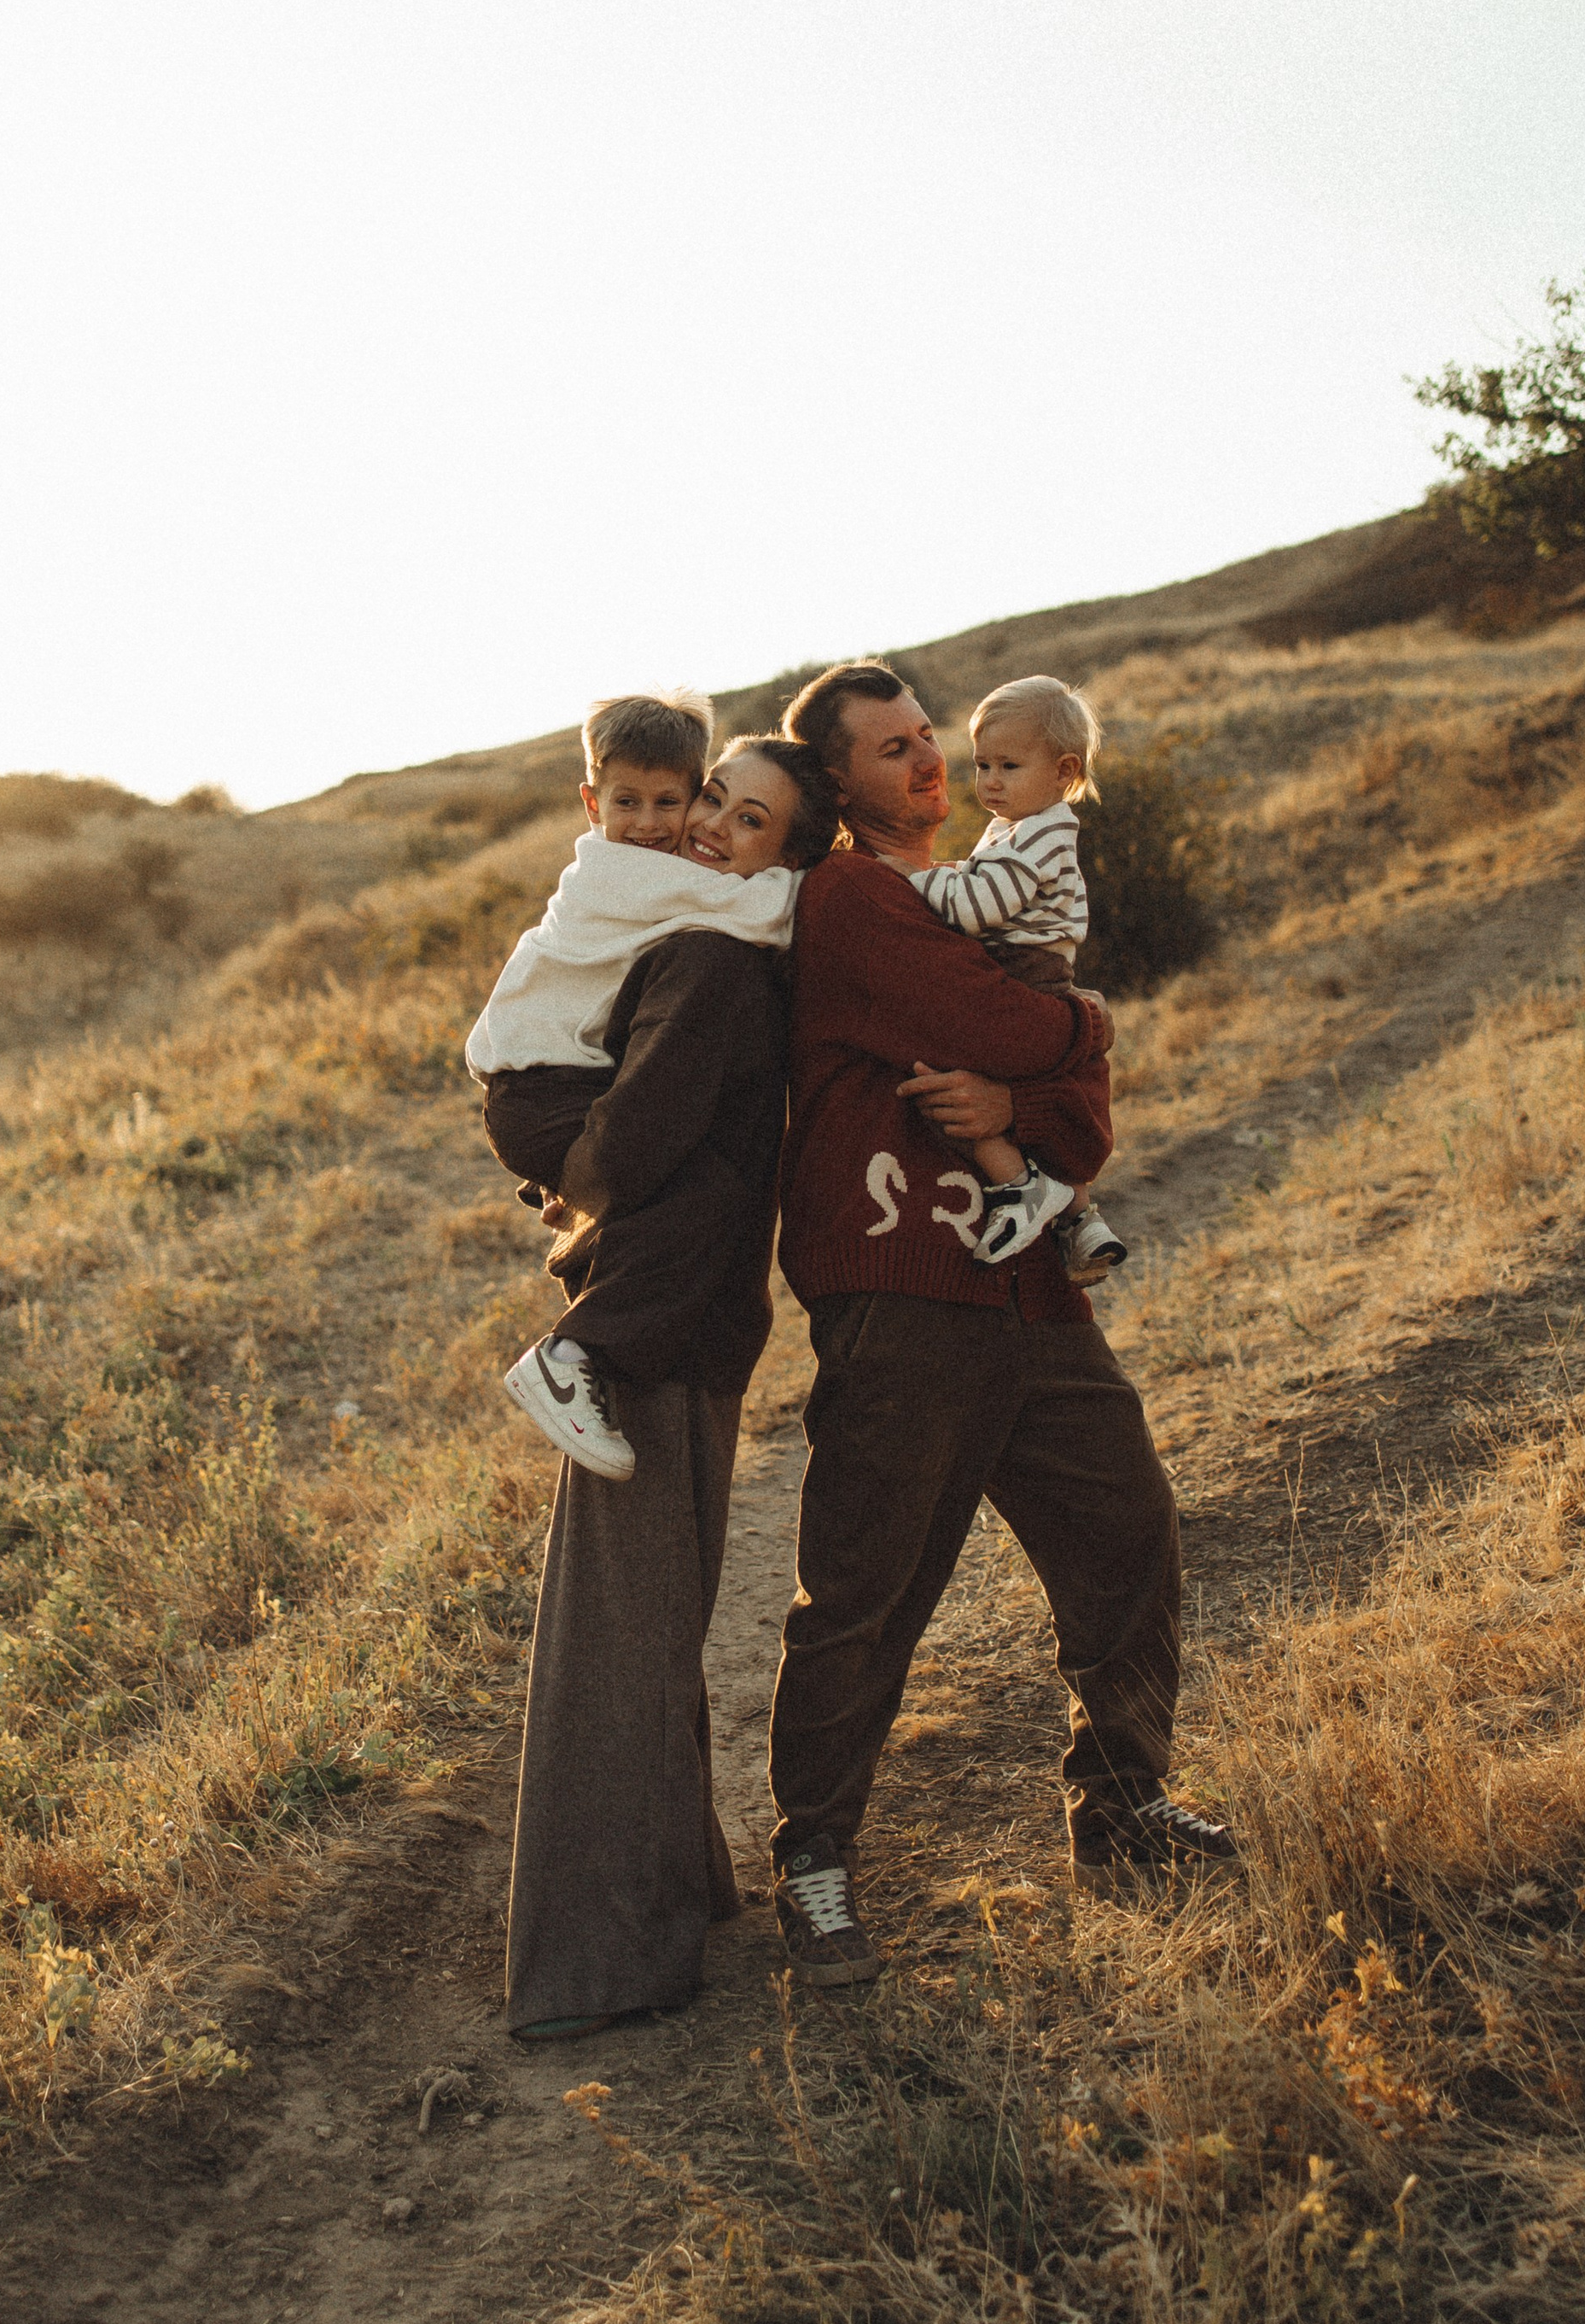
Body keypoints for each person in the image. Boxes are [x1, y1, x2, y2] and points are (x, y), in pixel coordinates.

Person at [764, 662, 1232, 1988]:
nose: (927, 760)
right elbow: (996, 1022)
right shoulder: (852, 898)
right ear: (836, 783)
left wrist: (1024, 1100)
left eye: (929, 735)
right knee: (868, 1588)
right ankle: (813, 1863)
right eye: (892, 749)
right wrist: (1080, 1022)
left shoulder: (984, 886)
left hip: (1031, 1289)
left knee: (1127, 1535)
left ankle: (1124, 1811)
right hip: (903, 1290)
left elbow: (1080, 1122)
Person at [500, 733, 843, 2041]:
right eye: (712, 799)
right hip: (642, 1337)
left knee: (654, 1633)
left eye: (744, 819)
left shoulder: (721, 948)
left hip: (687, 1326)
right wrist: (579, 1188)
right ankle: (598, 1965)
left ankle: (677, 1894)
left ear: (784, 856)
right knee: (627, 1644)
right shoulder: (705, 951)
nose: (705, 826)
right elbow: (629, 1141)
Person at [467, 691, 799, 1479]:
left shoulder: (648, 873)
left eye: (668, 802)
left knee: (683, 1194)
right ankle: (571, 1356)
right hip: (542, 1091)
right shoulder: (622, 874)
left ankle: (585, 1340)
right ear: (592, 804)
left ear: (693, 796)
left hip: (558, 1084)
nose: (648, 823)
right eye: (626, 802)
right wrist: (827, 879)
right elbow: (764, 913)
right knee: (696, 1195)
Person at [911, 673, 1128, 1284]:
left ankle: (1019, 1184)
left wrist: (912, 877)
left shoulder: (1043, 832)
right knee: (1041, 1079)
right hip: (1032, 965)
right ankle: (1081, 1218)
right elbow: (984, 882)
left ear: (1063, 771)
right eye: (982, 765)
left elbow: (977, 907)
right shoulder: (1016, 828)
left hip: (1026, 968)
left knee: (951, 1075)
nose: (990, 781)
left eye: (1009, 766)